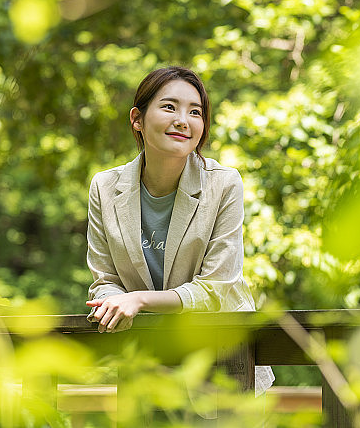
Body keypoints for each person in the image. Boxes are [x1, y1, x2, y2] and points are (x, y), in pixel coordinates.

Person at [85, 65, 274, 395]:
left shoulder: (224, 184)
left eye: (195, 111)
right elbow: (105, 281)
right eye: (169, 106)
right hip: (147, 369)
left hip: (226, 365)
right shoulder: (105, 187)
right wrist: (113, 303)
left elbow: (217, 288)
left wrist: (140, 300)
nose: (183, 120)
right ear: (137, 119)